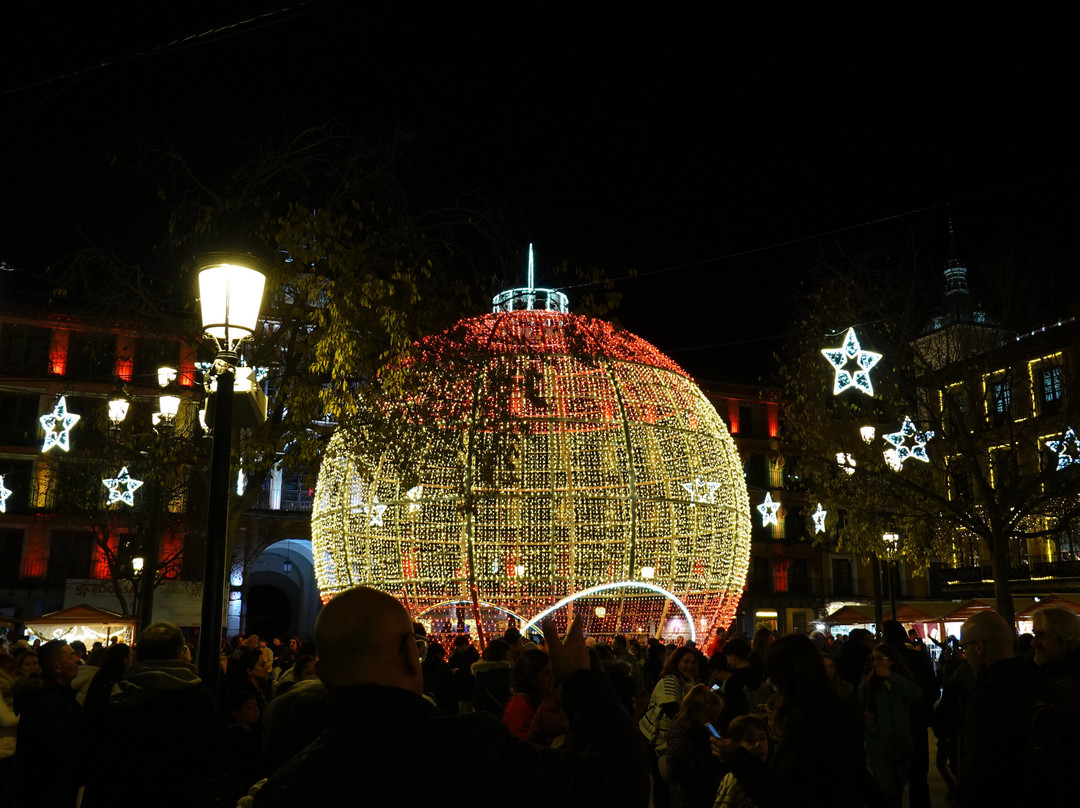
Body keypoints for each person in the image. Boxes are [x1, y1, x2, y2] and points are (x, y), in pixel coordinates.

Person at [251, 586, 648, 807]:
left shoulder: (285, 786)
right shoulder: (471, 750)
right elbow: (620, 783)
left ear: (322, 674)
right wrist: (580, 680)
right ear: (412, 652)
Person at [717, 634, 877, 808]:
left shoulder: (807, 719)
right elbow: (855, 771)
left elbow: (779, 793)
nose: (772, 682)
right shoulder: (838, 706)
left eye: (775, 673)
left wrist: (738, 756)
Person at [81, 622, 229, 808]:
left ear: (138, 654)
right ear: (180, 653)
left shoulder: (115, 693)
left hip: (117, 795)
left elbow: (86, 748)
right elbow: (217, 758)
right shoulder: (199, 698)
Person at [956, 610, 1068, 806]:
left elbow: (979, 769)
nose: (965, 655)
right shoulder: (1043, 681)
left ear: (979, 646)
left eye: (964, 648)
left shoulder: (986, 696)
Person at [14, 640, 82, 807]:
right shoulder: (46, 702)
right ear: (57, 667)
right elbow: (63, 748)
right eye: (72, 656)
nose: (77, 660)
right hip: (47, 790)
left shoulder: (58, 695)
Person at [858, 643, 922, 807]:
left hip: (902, 746)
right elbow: (859, 708)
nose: (876, 663)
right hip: (879, 747)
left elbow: (917, 695)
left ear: (892, 661)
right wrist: (872, 727)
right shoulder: (869, 684)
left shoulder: (899, 682)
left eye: (880, 659)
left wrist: (892, 676)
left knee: (897, 793)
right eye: (873, 659)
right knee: (887, 792)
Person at [664, 684, 726, 808]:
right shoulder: (681, 742)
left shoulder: (702, 729)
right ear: (694, 713)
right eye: (710, 717)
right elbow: (697, 783)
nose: (714, 722)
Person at [1030, 604, 1080, 683]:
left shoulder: (1070, 682)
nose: (1033, 643)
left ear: (1067, 638)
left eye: (1043, 635)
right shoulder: (1034, 668)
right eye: (1035, 634)